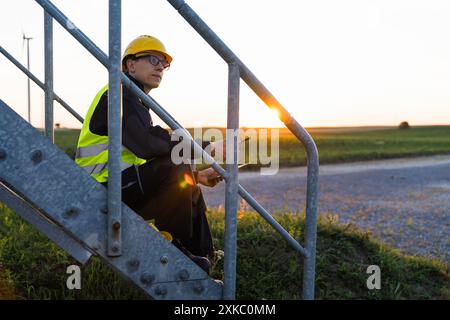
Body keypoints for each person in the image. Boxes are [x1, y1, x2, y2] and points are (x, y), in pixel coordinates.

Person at [75, 35, 223, 272]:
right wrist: (205, 147)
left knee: (186, 179)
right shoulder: (119, 93)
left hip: (118, 184)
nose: (160, 67)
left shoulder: (135, 99)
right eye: (153, 59)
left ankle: (204, 255)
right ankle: (175, 255)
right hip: (99, 189)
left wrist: (197, 176)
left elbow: (147, 155)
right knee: (177, 166)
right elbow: (149, 144)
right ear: (130, 65)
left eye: (164, 63)